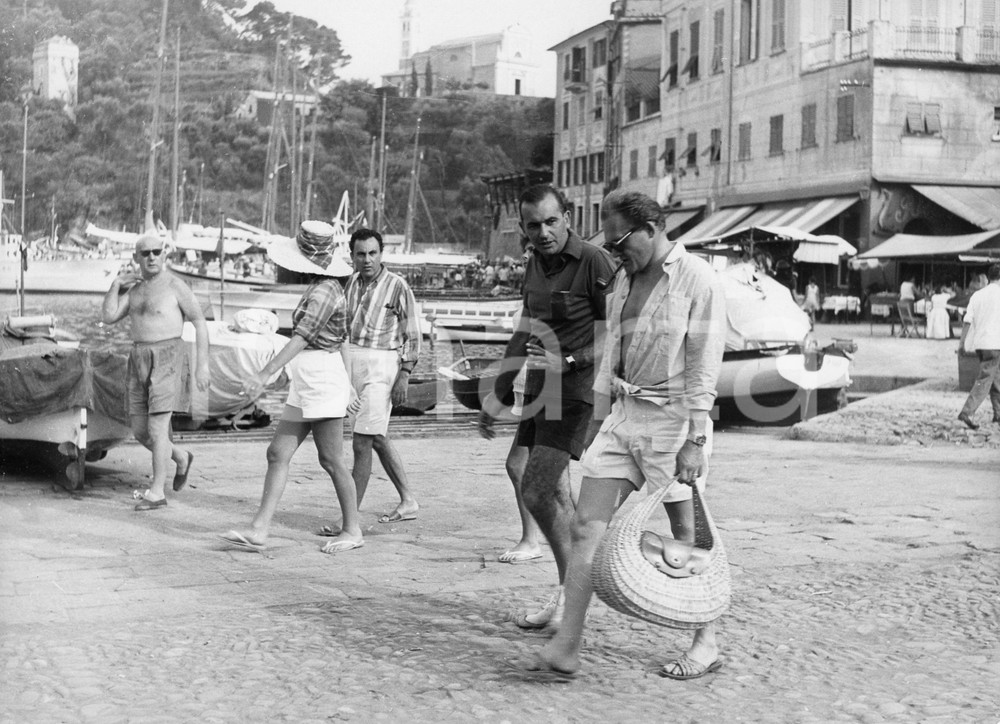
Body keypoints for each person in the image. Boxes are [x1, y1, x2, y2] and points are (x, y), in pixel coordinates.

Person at [523, 189, 726, 680]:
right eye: (610, 244)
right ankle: (567, 645)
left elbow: (704, 365)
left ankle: (706, 639)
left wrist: (696, 440)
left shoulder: (697, 280)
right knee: (586, 526)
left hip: (674, 422)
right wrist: (596, 425)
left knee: (688, 534)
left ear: (651, 230)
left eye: (620, 242)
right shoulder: (622, 280)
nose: (614, 252)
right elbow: (611, 352)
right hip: (624, 417)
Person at [478, 183, 616, 630]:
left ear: (569, 217)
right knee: (553, 493)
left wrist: (571, 359)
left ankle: (571, 595)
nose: (543, 232)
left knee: (536, 489)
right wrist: (498, 389)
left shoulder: (594, 261)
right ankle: (570, 594)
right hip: (541, 392)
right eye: (533, 225)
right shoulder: (533, 264)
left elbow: (615, 330)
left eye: (551, 221)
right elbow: (524, 328)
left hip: (577, 393)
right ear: (523, 227)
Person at [219, 221, 362, 553]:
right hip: (309, 377)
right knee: (277, 453)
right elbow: (341, 340)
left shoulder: (326, 289)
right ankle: (259, 528)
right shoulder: (320, 286)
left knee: (331, 458)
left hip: (323, 380)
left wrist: (265, 372)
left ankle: (353, 530)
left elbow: (304, 337)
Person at [102, 233, 209, 511]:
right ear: (136, 258)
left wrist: (202, 366)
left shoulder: (176, 286)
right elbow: (109, 316)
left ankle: (157, 492)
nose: (151, 257)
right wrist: (115, 285)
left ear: (164, 255)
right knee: (139, 430)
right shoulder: (135, 291)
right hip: (138, 358)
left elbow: (199, 322)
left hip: (168, 357)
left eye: (156, 252)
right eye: (145, 253)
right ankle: (181, 457)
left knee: (157, 428)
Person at [344, 228, 422, 525]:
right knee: (376, 436)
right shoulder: (349, 283)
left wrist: (404, 374)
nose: (367, 260)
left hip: (382, 364)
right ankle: (408, 500)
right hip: (352, 364)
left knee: (361, 442)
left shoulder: (397, 285)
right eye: (360, 254)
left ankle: (349, 520)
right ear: (352, 255)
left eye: (372, 253)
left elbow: (412, 334)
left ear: (381, 254)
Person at [957, 263, 1000, 430]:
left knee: (996, 378)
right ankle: (967, 412)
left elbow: (967, 321)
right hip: (996, 343)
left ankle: (998, 413)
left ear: (988, 278)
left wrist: (962, 343)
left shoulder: (977, 295)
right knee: (985, 378)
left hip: (981, 344)